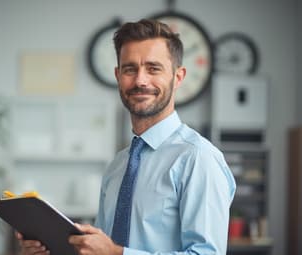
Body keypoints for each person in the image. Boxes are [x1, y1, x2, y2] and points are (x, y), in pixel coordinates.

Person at [17, 19, 236, 255]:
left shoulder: (198, 158)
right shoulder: (117, 166)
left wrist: (117, 253)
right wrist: (52, 249)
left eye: (153, 68)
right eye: (130, 69)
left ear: (178, 77)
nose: (140, 80)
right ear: (118, 75)